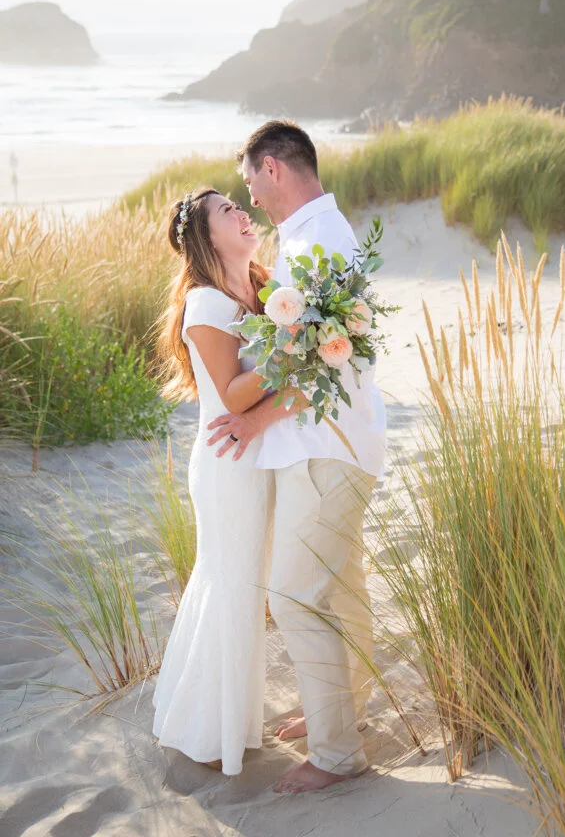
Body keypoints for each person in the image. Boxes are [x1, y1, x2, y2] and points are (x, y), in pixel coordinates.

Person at [207, 121, 387, 794]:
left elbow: (314, 367)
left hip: (323, 445)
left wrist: (251, 420)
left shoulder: (316, 242)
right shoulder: (319, 237)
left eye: (249, 178)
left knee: (294, 596)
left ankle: (339, 753)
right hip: (338, 442)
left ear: (273, 167)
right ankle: (342, 713)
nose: (249, 195)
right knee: (341, 589)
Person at [151, 187, 275, 775]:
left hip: (259, 452)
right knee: (230, 586)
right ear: (204, 236)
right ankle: (209, 731)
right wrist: (294, 352)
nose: (242, 212)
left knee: (247, 588)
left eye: (239, 205)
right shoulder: (204, 303)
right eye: (227, 210)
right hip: (229, 461)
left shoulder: (259, 286)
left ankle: (237, 722)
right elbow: (232, 394)